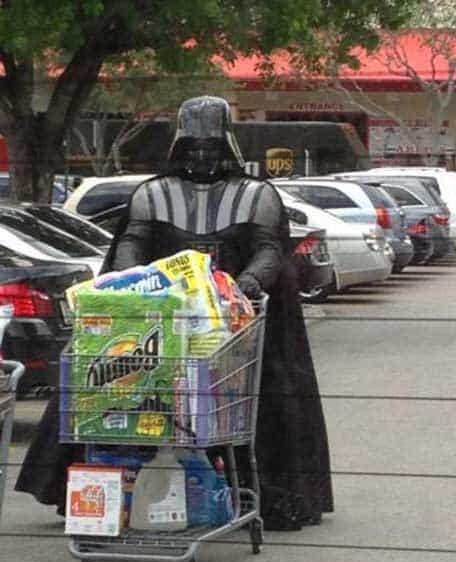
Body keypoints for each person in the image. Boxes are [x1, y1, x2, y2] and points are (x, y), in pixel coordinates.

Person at [16, 96, 333, 530]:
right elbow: (132, 242)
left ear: (227, 145)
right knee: (120, 386)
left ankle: (264, 490)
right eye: (193, 147)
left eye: (210, 147)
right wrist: (133, 283)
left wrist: (246, 283)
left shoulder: (257, 194)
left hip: (232, 320)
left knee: (261, 392)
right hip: (159, 318)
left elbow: (269, 248)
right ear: (179, 146)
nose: (202, 157)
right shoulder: (152, 194)